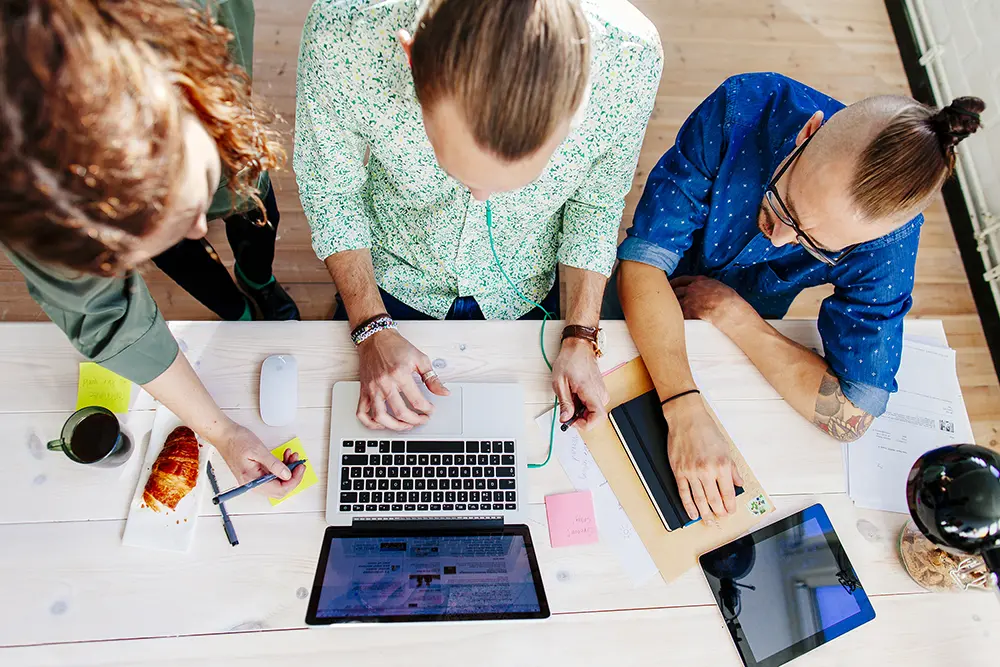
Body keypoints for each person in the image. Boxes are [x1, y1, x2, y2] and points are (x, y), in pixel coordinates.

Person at [615, 72, 984, 525]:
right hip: (648, 287)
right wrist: (684, 405)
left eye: (814, 245)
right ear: (808, 133)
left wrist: (735, 316)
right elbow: (645, 260)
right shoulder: (744, 108)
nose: (778, 238)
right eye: (786, 205)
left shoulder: (889, 242)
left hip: (747, 319)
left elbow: (856, 410)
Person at [294, 0, 662, 432]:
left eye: (518, 179)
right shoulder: (343, 32)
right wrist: (370, 328)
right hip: (387, 278)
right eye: (456, 169)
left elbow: (595, 204)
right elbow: (331, 191)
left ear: (582, 99)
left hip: (523, 293)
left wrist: (582, 335)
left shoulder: (629, 60)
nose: (482, 197)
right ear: (411, 60)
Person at [0, 0, 305, 496]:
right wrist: (224, 434)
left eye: (189, 206)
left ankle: (256, 279)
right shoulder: (31, 194)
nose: (199, 231)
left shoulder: (201, 30)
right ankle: (235, 306)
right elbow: (104, 317)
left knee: (245, 196)